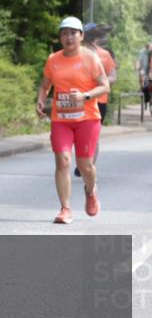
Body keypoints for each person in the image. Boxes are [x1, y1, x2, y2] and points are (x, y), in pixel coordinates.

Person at [35, 17, 109, 224]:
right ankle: (65, 209)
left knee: (85, 166)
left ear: (81, 36)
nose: (69, 37)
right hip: (61, 119)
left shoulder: (90, 58)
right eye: (64, 33)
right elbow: (45, 86)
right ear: (60, 37)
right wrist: (40, 100)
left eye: (73, 33)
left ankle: (90, 190)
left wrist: (85, 96)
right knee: (63, 161)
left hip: (87, 118)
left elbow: (105, 86)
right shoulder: (53, 60)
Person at [75, 23, 117, 176]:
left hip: (99, 101)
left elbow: (113, 76)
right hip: (79, 100)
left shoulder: (104, 54)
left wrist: (101, 81)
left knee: (93, 135)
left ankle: (88, 166)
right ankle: (84, 164)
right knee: (79, 134)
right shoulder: (75, 54)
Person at [138, 41, 152, 111]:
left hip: (150, 69)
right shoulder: (142, 52)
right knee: (141, 73)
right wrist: (139, 68)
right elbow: (139, 61)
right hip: (144, 69)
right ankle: (142, 88)